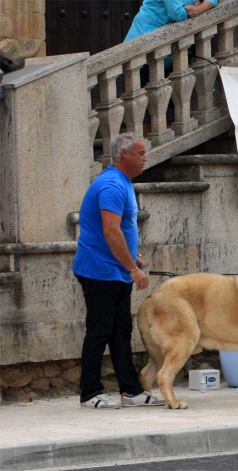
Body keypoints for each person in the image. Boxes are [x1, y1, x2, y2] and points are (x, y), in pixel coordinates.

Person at [73, 133, 164, 409]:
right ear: (124, 155)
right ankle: (89, 393)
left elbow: (120, 232)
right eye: (140, 153)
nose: (145, 158)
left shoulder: (121, 183)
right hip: (100, 271)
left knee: (120, 330)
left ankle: (130, 391)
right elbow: (110, 231)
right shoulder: (112, 185)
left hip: (113, 269)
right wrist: (133, 269)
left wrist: (131, 257)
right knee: (100, 331)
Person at [125, 0, 219, 47]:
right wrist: (198, 4)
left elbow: (213, 0)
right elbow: (177, 14)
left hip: (167, 44)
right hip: (145, 35)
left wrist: (197, 9)